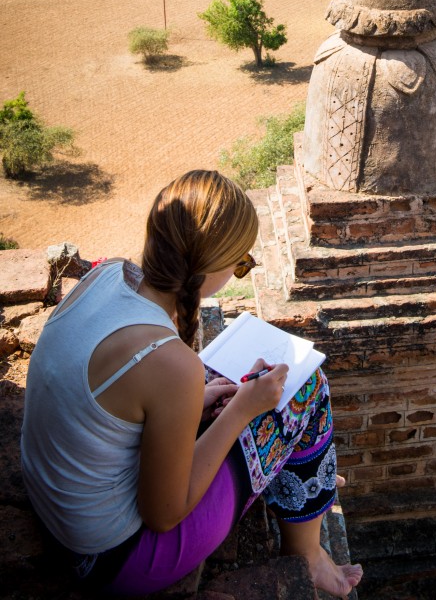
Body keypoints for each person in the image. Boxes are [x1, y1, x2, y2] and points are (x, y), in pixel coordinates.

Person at [21, 169, 362, 598]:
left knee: (221, 385)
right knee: (308, 388)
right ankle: (308, 554)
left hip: (57, 510)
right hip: (120, 559)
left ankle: (300, 479)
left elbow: (120, 402)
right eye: (240, 264)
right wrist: (241, 411)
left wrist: (199, 398)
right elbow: (164, 514)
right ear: (211, 267)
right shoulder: (167, 363)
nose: (239, 271)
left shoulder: (104, 275)